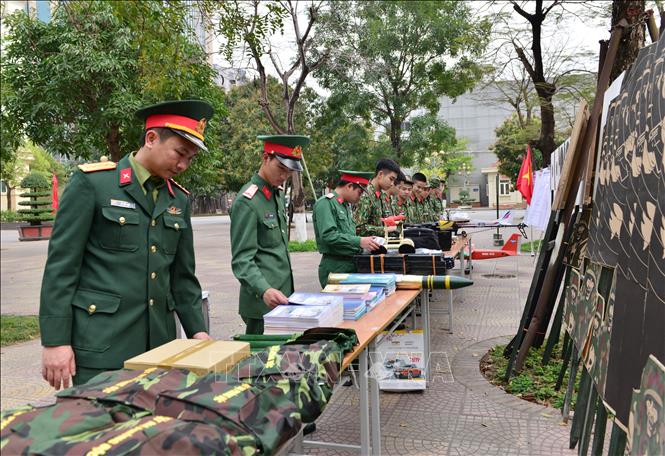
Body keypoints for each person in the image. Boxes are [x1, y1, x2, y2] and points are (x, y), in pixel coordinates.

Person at [40, 100, 214, 389]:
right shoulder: (94, 184)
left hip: (160, 347)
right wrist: (55, 341)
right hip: (102, 346)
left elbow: (182, 277)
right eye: (179, 153)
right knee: (99, 430)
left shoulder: (178, 200)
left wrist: (198, 331)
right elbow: (62, 267)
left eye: (191, 158)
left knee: (153, 430)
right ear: (151, 138)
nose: (183, 165)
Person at [230, 135, 307, 335]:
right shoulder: (248, 201)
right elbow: (242, 260)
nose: (284, 176)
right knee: (262, 363)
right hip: (262, 303)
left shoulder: (277, 195)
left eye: (289, 172)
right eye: (281, 169)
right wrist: (263, 290)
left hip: (283, 297)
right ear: (265, 158)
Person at [313, 170, 380, 287]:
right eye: (359, 193)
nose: (360, 198)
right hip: (336, 266)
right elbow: (329, 236)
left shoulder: (344, 206)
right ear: (349, 186)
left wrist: (365, 242)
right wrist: (359, 241)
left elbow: (348, 234)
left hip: (349, 265)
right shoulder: (326, 203)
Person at [353, 158, 401, 236]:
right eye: (391, 179)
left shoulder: (381, 195)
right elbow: (359, 228)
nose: (392, 184)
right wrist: (384, 229)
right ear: (380, 174)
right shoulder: (366, 195)